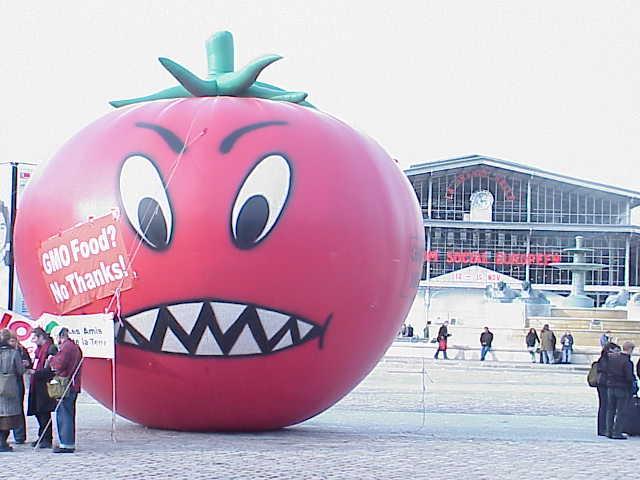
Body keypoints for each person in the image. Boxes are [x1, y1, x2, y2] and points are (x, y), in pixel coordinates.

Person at [49, 328, 83, 453]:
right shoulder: (74, 346)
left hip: (66, 385)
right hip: (72, 384)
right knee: (67, 412)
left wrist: (51, 358)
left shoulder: (66, 347)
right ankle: (67, 442)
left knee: (64, 414)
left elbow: (59, 365)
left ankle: (66, 443)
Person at [25, 327, 58, 448]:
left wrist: (35, 373)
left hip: (45, 385)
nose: (32, 340)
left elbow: (51, 370)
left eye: (34, 337)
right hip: (37, 384)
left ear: (41, 337)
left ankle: (47, 438)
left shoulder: (50, 349)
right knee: (39, 412)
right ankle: (42, 436)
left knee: (44, 412)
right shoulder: (39, 350)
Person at [0, 329, 26, 452]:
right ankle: (2, 442)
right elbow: (20, 371)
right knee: (8, 415)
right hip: (10, 386)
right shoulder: (13, 353)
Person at [603, 341, 635, 439]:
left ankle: (608, 431)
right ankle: (617, 432)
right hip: (622, 388)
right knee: (621, 411)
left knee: (610, 410)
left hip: (611, 386)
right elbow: (629, 377)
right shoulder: (627, 361)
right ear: (630, 350)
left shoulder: (612, 358)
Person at [8, 332, 32, 445]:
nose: (13, 343)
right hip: (9, 381)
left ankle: (19, 435)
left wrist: (26, 364)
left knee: (18, 408)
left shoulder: (21, 350)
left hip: (17, 381)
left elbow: (28, 364)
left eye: (14, 340)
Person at [595, 342, 620, 436]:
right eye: (616, 350)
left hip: (603, 383)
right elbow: (606, 370)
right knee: (604, 406)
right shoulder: (606, 359)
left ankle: (604, 428)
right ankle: (602, 429)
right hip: (604, 384)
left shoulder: (604, 358)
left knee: (604, 406)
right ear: (610, 350)